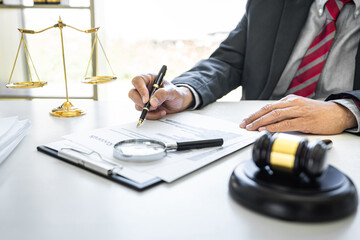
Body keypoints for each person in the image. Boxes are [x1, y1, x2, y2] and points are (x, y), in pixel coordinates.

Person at [128, 0, 360, 135]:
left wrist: (346, 112)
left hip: (345, 137)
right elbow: (228, 60)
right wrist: (183, 91)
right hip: (256, 131)